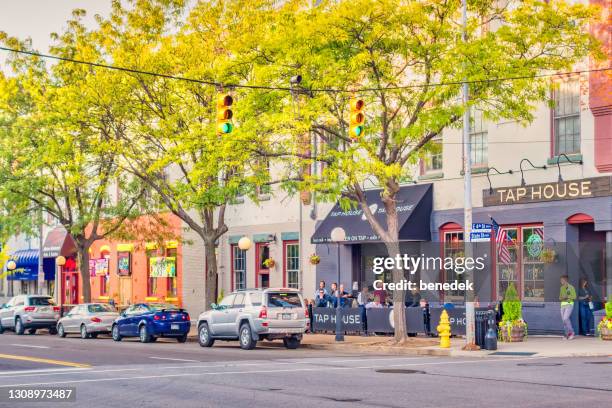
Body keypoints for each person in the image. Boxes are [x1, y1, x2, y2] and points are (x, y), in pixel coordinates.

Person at [559, 275, 576, 340]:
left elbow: (574, 297)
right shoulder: (561, 288)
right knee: (564, 320)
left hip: (569, 304)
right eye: (561, 280)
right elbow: (560, 297)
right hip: (562, 305)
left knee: (566, 318)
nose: (561, 281)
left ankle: (572, 333)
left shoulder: (571, 287)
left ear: (566, 280)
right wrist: (562, 298)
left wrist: (567, 297)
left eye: (562, 280)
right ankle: (566, 334)